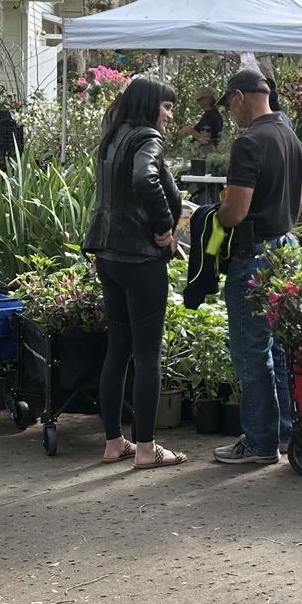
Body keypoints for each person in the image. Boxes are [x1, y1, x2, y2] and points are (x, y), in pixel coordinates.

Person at [81, 76, 187, 469]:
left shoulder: (114, 136)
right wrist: (164, 229)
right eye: (167, 106)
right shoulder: (146, 137)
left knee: (118, 350)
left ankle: (113, 443)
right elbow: (145, 179)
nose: (170, 114)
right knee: (147, 356)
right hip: (140, 257)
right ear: (149, 104)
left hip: (108, 253)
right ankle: (146, 448)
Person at [212, 69, 302, 465]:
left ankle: (258, 442)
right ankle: (283, 433)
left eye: (229, 105)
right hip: (285, 248)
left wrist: (209, 214)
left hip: (254, 254)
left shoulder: (250, 142)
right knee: (278, 348)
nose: (230, 114)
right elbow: (300, 204)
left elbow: (235, 213)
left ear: (238, 97)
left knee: (251, 349)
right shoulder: (289, 135)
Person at [180, 87, 223, 155]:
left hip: (206, 154)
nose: (197, 102)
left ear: (207, 99)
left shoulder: (208, 116)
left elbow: (205, 139)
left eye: (199, 99)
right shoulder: (215, 114)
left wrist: (190, 130)